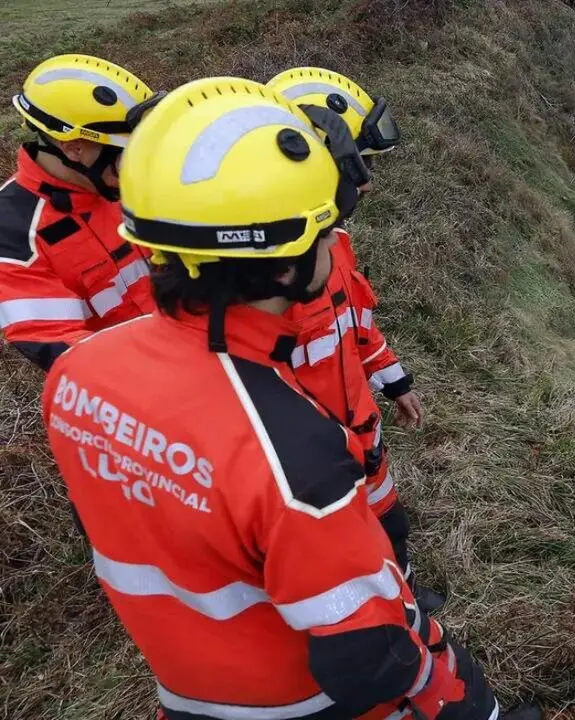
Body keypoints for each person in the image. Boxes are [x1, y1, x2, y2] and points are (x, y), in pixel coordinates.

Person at [41, 76, 504, 720]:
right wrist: (468, 702)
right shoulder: (296, 457)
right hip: (297, 701)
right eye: (325, 229)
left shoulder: (78, 373)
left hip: (183, 690)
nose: (335, 242)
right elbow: (370, 659)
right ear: (285, 263)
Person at [263, 67, 440, 608]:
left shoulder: (332, 244)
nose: (367, 183)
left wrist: (396, 382)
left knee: (390, 522)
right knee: (342, 552)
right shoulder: (260, 288)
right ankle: (387, 614)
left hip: (361, 427)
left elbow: (356, 325)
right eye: (356, 166)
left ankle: (402, 593)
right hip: (315, 458)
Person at [0, 53, 159, 371]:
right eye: (128, 158)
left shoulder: (119, 187)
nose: (139, 172)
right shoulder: (13, 233)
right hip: (133, 388)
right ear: (75, 148)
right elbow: (63, 349)